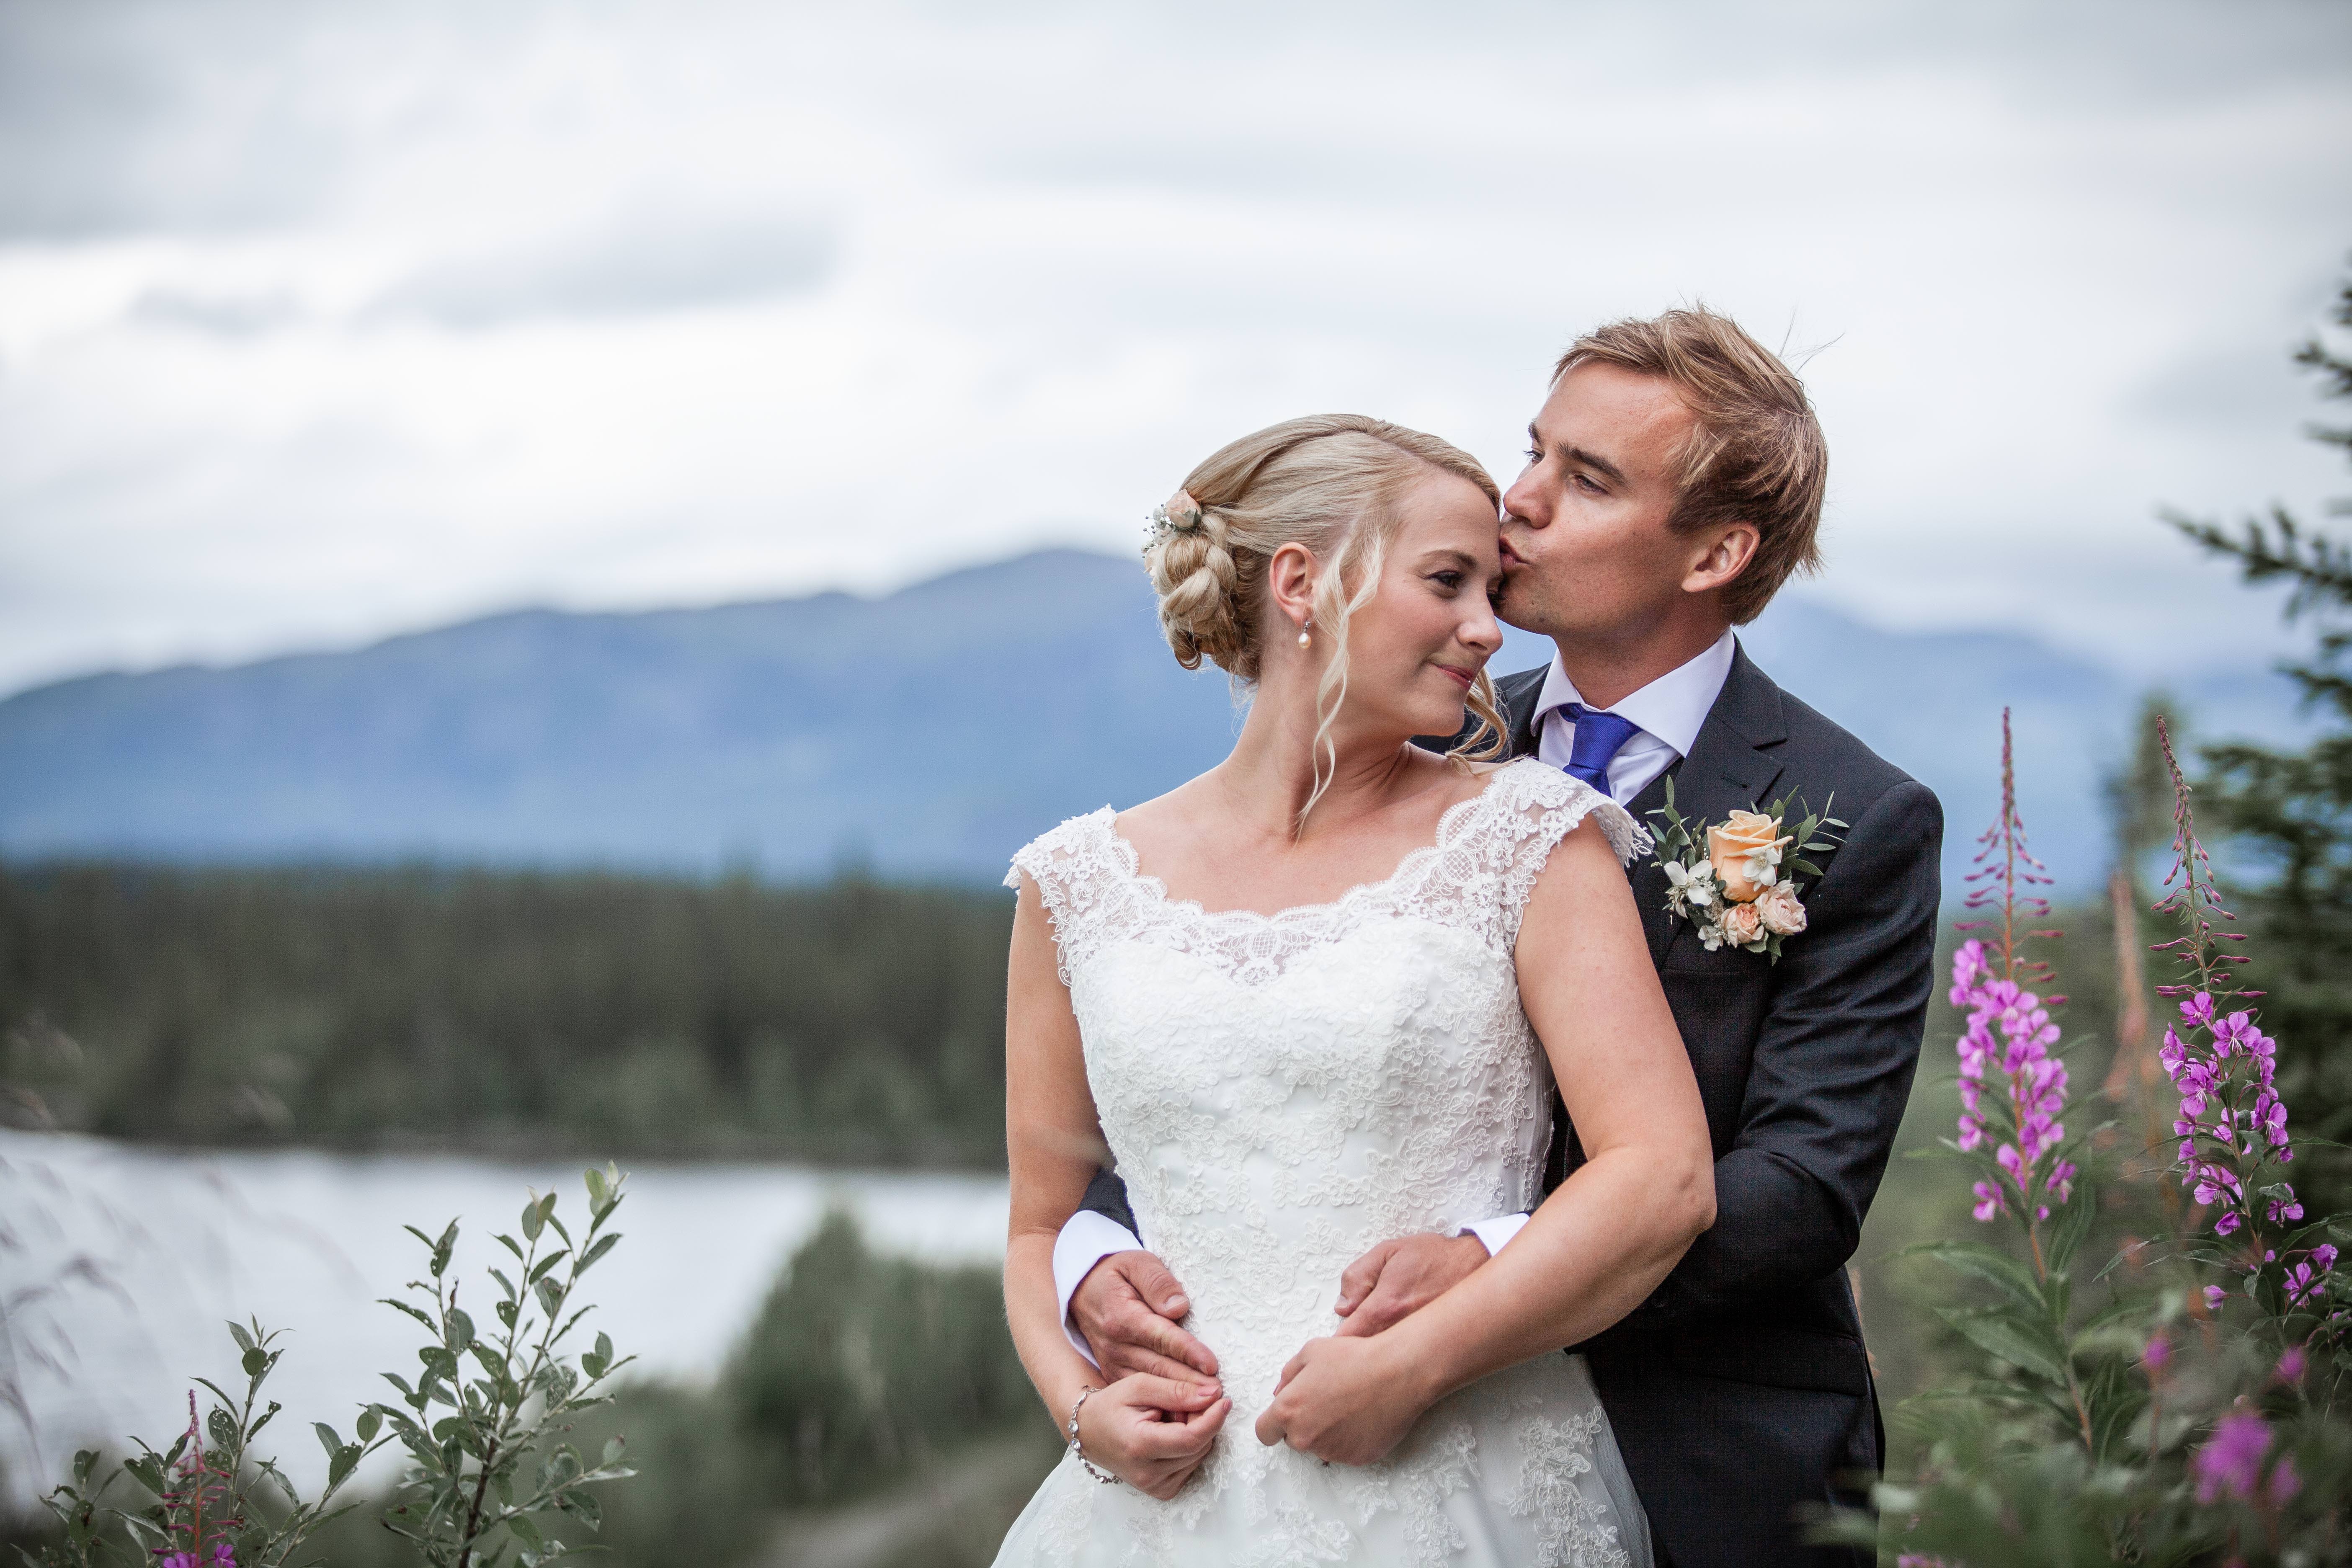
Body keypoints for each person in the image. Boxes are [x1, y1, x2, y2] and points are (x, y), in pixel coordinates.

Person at [1060, 311, 1945, 1568]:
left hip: (1700, 1451)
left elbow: (1800, 1189)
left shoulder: (1852, 814)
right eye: (1535, 450)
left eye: (1587, 479)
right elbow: (1257, 1029)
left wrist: (1487, 1269)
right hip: (1352, 1447)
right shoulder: (1414, 727)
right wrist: (1093, 1250)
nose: (1517, 500)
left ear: (1715, 553)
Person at [993, 413, 1717, 1566]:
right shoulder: (1073, 885)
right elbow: (1041, 1222)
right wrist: (1081, 1411)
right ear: (1302, 583)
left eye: (1492, 589)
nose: (1490, 628)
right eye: (1448, 581)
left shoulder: (1532, 840)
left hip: (1462, 1490)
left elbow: (1661, 1178)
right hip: (1159, 1518)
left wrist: (1412, 1367)